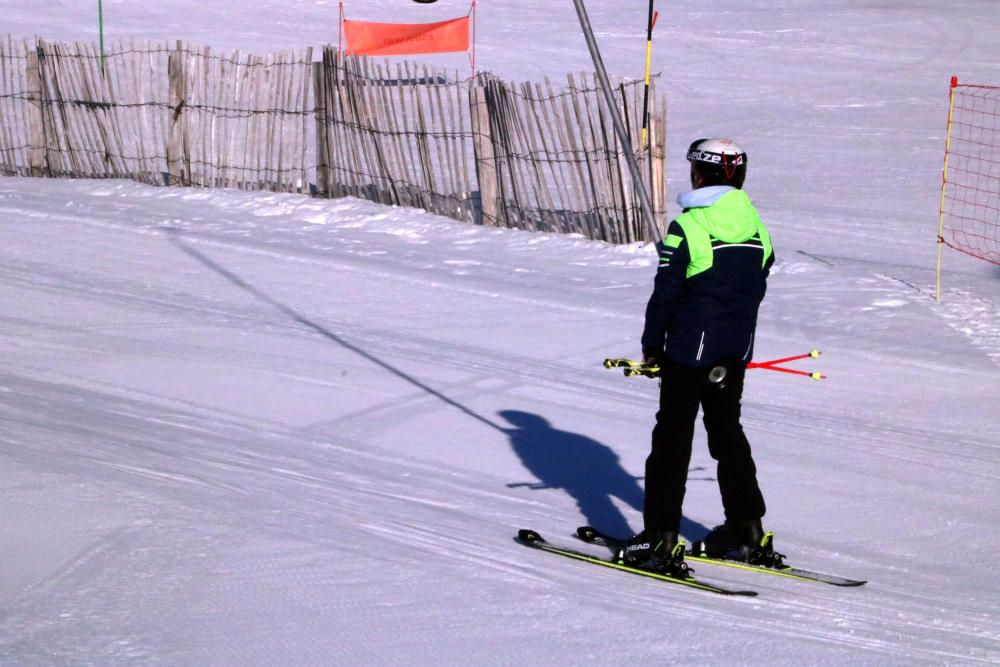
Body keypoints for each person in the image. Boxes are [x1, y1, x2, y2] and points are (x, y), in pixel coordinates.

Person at [620, 138, 775, 571]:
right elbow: (758, 274)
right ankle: (746, 528)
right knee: (727, 434)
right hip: (733, 350)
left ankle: (660, 537)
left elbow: (665, 293)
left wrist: (653, 347)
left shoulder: (688, 226)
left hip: (689, 353)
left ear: (698, 175)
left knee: (672, 439)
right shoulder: (756, 224)